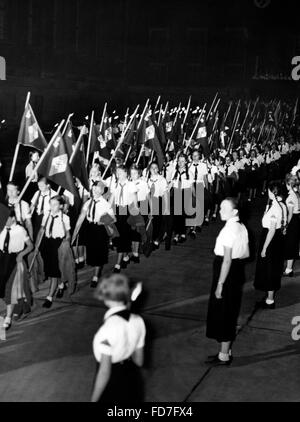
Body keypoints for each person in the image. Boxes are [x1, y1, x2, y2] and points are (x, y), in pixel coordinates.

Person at [206, 198, 249, 365]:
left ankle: (224, 356)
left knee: (224, 313)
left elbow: (227, 260)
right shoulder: (241, 227)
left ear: (234, 212)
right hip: (237, 271)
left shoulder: (229, 230)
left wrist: (220, 284)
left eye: (225, 208)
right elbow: (246, 253)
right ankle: (225, 351)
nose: (220, 211)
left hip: (226, 272)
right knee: (230, 310)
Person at [91, 274, 145, 403]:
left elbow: (104, 372)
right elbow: (139, 361)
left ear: (107, 299)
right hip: (132, 380)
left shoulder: (108, 329)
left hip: (112, 385)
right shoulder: (138, 321)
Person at [73, 181, 115, 288]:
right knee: (91, 252)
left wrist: (103, 221)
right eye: (94, 189)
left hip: (100, 229)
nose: (95, 191)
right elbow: (81, 218)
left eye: (98, 189)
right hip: (90, 228)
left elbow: (113, 218)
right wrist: (74, 234)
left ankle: (95, 276)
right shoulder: (87, 203)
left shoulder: (105, 204)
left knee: (99, 252)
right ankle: (96, 269)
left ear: (102, 191)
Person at [254, 182, 288, 309]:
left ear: (273, 192)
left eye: (268, 190)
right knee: (271, 268)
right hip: (274, 238)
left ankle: (270, 300)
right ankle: (269, 297)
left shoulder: (275, 208)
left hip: (271, 239)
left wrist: (264, 248)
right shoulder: (276, 205)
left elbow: (272, 229)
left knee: (270, 269)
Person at [0, 209, 33, 330]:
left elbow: (31, 246)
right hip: (2, 259)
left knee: (10, 289)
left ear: (13, 218)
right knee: (2, 289)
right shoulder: (2, 228)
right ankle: (21, 307)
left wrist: (21, 254)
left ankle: (8, 318)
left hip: (15, 261)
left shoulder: (20, 230)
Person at [38, 195, 72, 308]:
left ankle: (49, 296)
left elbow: (68, 235)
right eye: (51, 204)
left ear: (61, 206)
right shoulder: (46, 215)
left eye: (55, 204)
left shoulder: (65, 218)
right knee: (50, 269)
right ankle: (61, 285)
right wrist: (38, 244)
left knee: (54, 271)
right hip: (47, 243)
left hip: (58, 244)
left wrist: (66, 243)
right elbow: (42, 229)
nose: (52, 207)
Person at [109, 165, 138, 273]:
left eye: (120, 172)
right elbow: (111, 199)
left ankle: (118, 263)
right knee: (118, 236)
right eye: (117, 173)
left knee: (123, 236)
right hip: (117, 211)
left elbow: (135, 201)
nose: (118, 175)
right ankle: (125, 256)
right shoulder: (115, 185)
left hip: (127, 211)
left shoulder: (131, 185)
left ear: (126, 173)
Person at [283, 174, 300, 277]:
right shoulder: (297, 193)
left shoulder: (290, 197)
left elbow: (289, 214)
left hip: (293, 220)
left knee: (290, 245)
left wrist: (285, 225)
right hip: (298, 219)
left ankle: (288, 269)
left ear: (288, 184)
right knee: (294, 243)